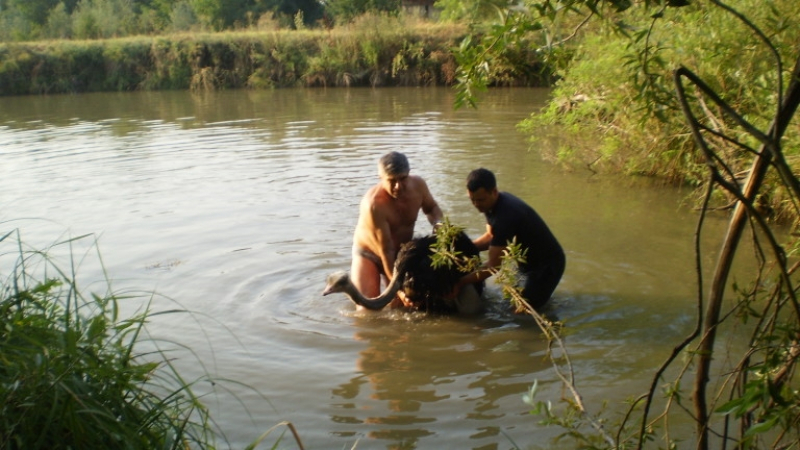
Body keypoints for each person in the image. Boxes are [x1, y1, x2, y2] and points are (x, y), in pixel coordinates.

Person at [452, 168, 565, 310]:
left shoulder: (505, 217)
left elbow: (493, 267)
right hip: (526, 262)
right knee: (512, 301)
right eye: (472, 200)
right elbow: (490, 236)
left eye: (480, 200)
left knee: (520, 312)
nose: (476, 205)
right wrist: (463, 249)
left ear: (494, 191)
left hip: (547, 266)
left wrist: (459, 282)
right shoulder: (491, 204)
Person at [351, 151, 444, 307]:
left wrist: (439, 224)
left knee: (403, 307)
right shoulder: (374, 204)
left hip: (401, 253)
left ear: (409, 174)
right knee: (366, 310)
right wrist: (398, 290)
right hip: (369, 254)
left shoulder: (418, 186)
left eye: (403, 179)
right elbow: (386, 250)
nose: (398, 186)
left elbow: (432, 208)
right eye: (392, 181)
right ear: (381, 179)